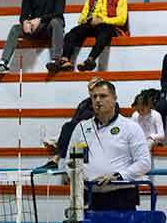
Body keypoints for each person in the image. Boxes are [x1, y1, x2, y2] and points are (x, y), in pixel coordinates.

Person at [67, 79, 150, 210]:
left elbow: (144, 163)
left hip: (121, 196)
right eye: (94, 96)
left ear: (114, 99)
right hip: (89, 195)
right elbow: (71, 162)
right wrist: (78, 177)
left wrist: (118, 176)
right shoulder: (81, 128)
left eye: (103, 96)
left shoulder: (130, 127)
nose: (98, 100)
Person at [52, 0, 128, 74]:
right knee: (72, 33)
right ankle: (65, 60)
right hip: (92, 25)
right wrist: (86, 20)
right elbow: (82, 16)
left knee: (104, 32)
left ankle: (90, 60)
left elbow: (122, 20)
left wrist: (102, 20)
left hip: (110, 26)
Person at [37, 77, 105, 171]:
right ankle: (59, 161)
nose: (92, 92)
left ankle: (59, 160)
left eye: (95, 89)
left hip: (97, 134)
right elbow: (74, 122)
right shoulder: (84, 104)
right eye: (90, 90)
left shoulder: (107, 103)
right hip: (80, 135)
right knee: (69, 127)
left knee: (75, 132)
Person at [133, 89, 164, 160]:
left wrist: (151, 137)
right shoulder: (135, 115)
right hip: (139, 139)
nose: (140, 112)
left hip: (152, 139)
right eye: (138, 110)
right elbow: (131, 131)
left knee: (147, 144)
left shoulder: (156, 115)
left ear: (148, 106)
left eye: (142, 110)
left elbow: (162, 135)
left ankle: (145, 164)